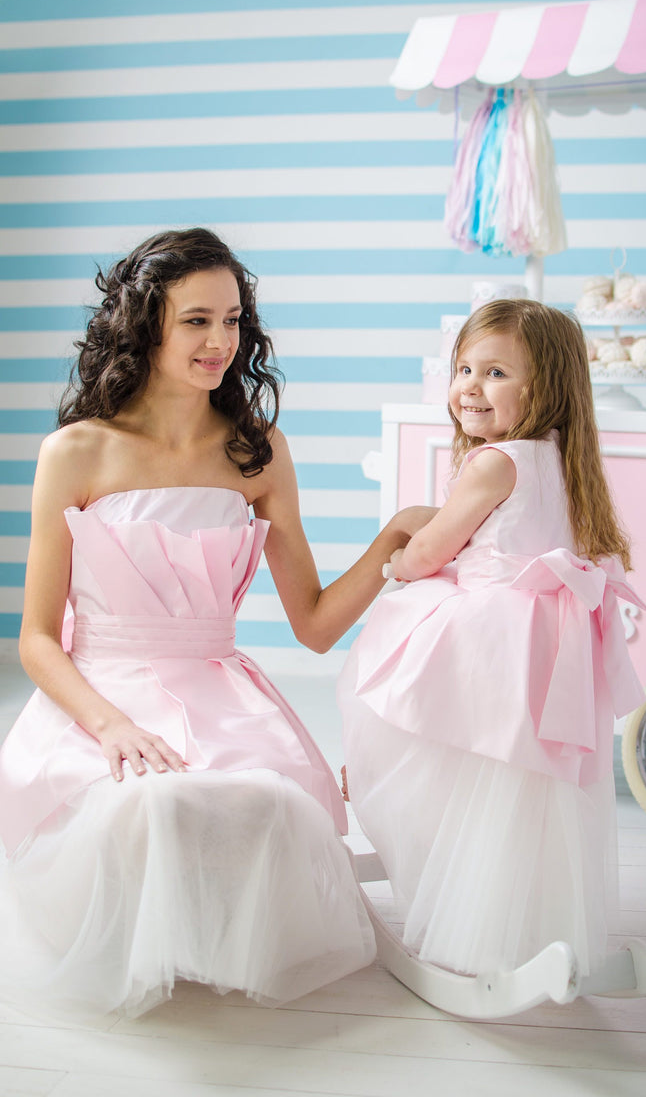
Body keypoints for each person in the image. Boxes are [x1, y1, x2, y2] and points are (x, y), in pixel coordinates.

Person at [0, 227, 432, 1019]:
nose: (220, 341)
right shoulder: (78, 451)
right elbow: (35, 638)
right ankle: (145, 937)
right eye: (196, 319)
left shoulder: (257, 450)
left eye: (232, 320)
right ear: (144, 324)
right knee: (146, 803)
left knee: (267, 801)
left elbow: (312, 623)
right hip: (103, 693)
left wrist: (391, 538)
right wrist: (111, 726)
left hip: (218, 690)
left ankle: (213, 930)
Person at [337, 298, 646, 978]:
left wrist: (397, 563)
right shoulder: (563, 457)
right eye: (464, 368)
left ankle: (453, 905)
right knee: (516, 780)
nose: (469, 387)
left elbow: (425, 556)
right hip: (547, 643)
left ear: (545, 388)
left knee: (444, 752)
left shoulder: (491, 464)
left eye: (496, 372)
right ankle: (520, 913)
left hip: (490, 634)